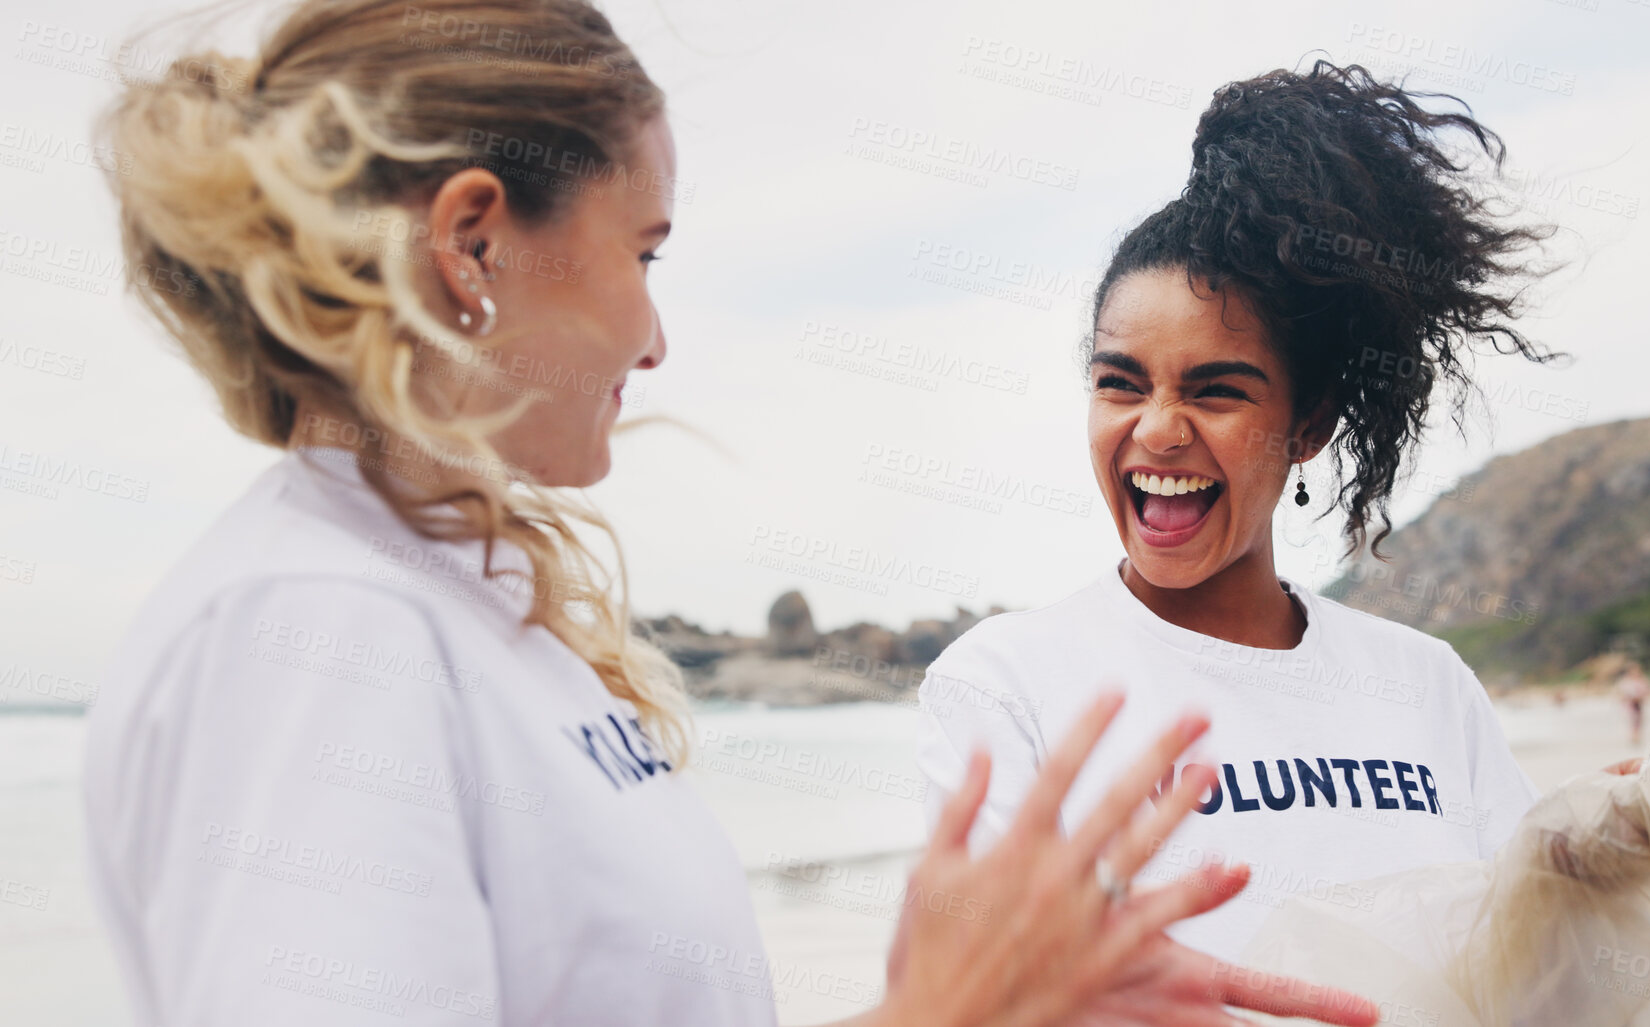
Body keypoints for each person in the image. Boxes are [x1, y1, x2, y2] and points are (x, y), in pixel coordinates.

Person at [78, 3, 1380, 1025]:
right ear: (474, 242)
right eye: (643, 253)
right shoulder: (308, 623)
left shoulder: (457, 601)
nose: (652, 336)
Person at [916, 62, 1623, 966]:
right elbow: (981, 990)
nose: (1158, 431)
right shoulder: (1005, 685)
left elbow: (1535, 964)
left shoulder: (1424, 683)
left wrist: (1613, 861)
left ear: (1307, 426)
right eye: (1119, 384)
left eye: (1216, 391)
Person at [1616, 661, 1650, 746]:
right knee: (1632, 720)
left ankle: (1636, 736)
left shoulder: (1642, 680)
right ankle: (1633, 736)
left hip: (1638, 703)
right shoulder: (1626, 681)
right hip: (1630, 705)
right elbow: (1621, 693)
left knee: (1639, 720)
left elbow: (1648, 690)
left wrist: (1642, 697)